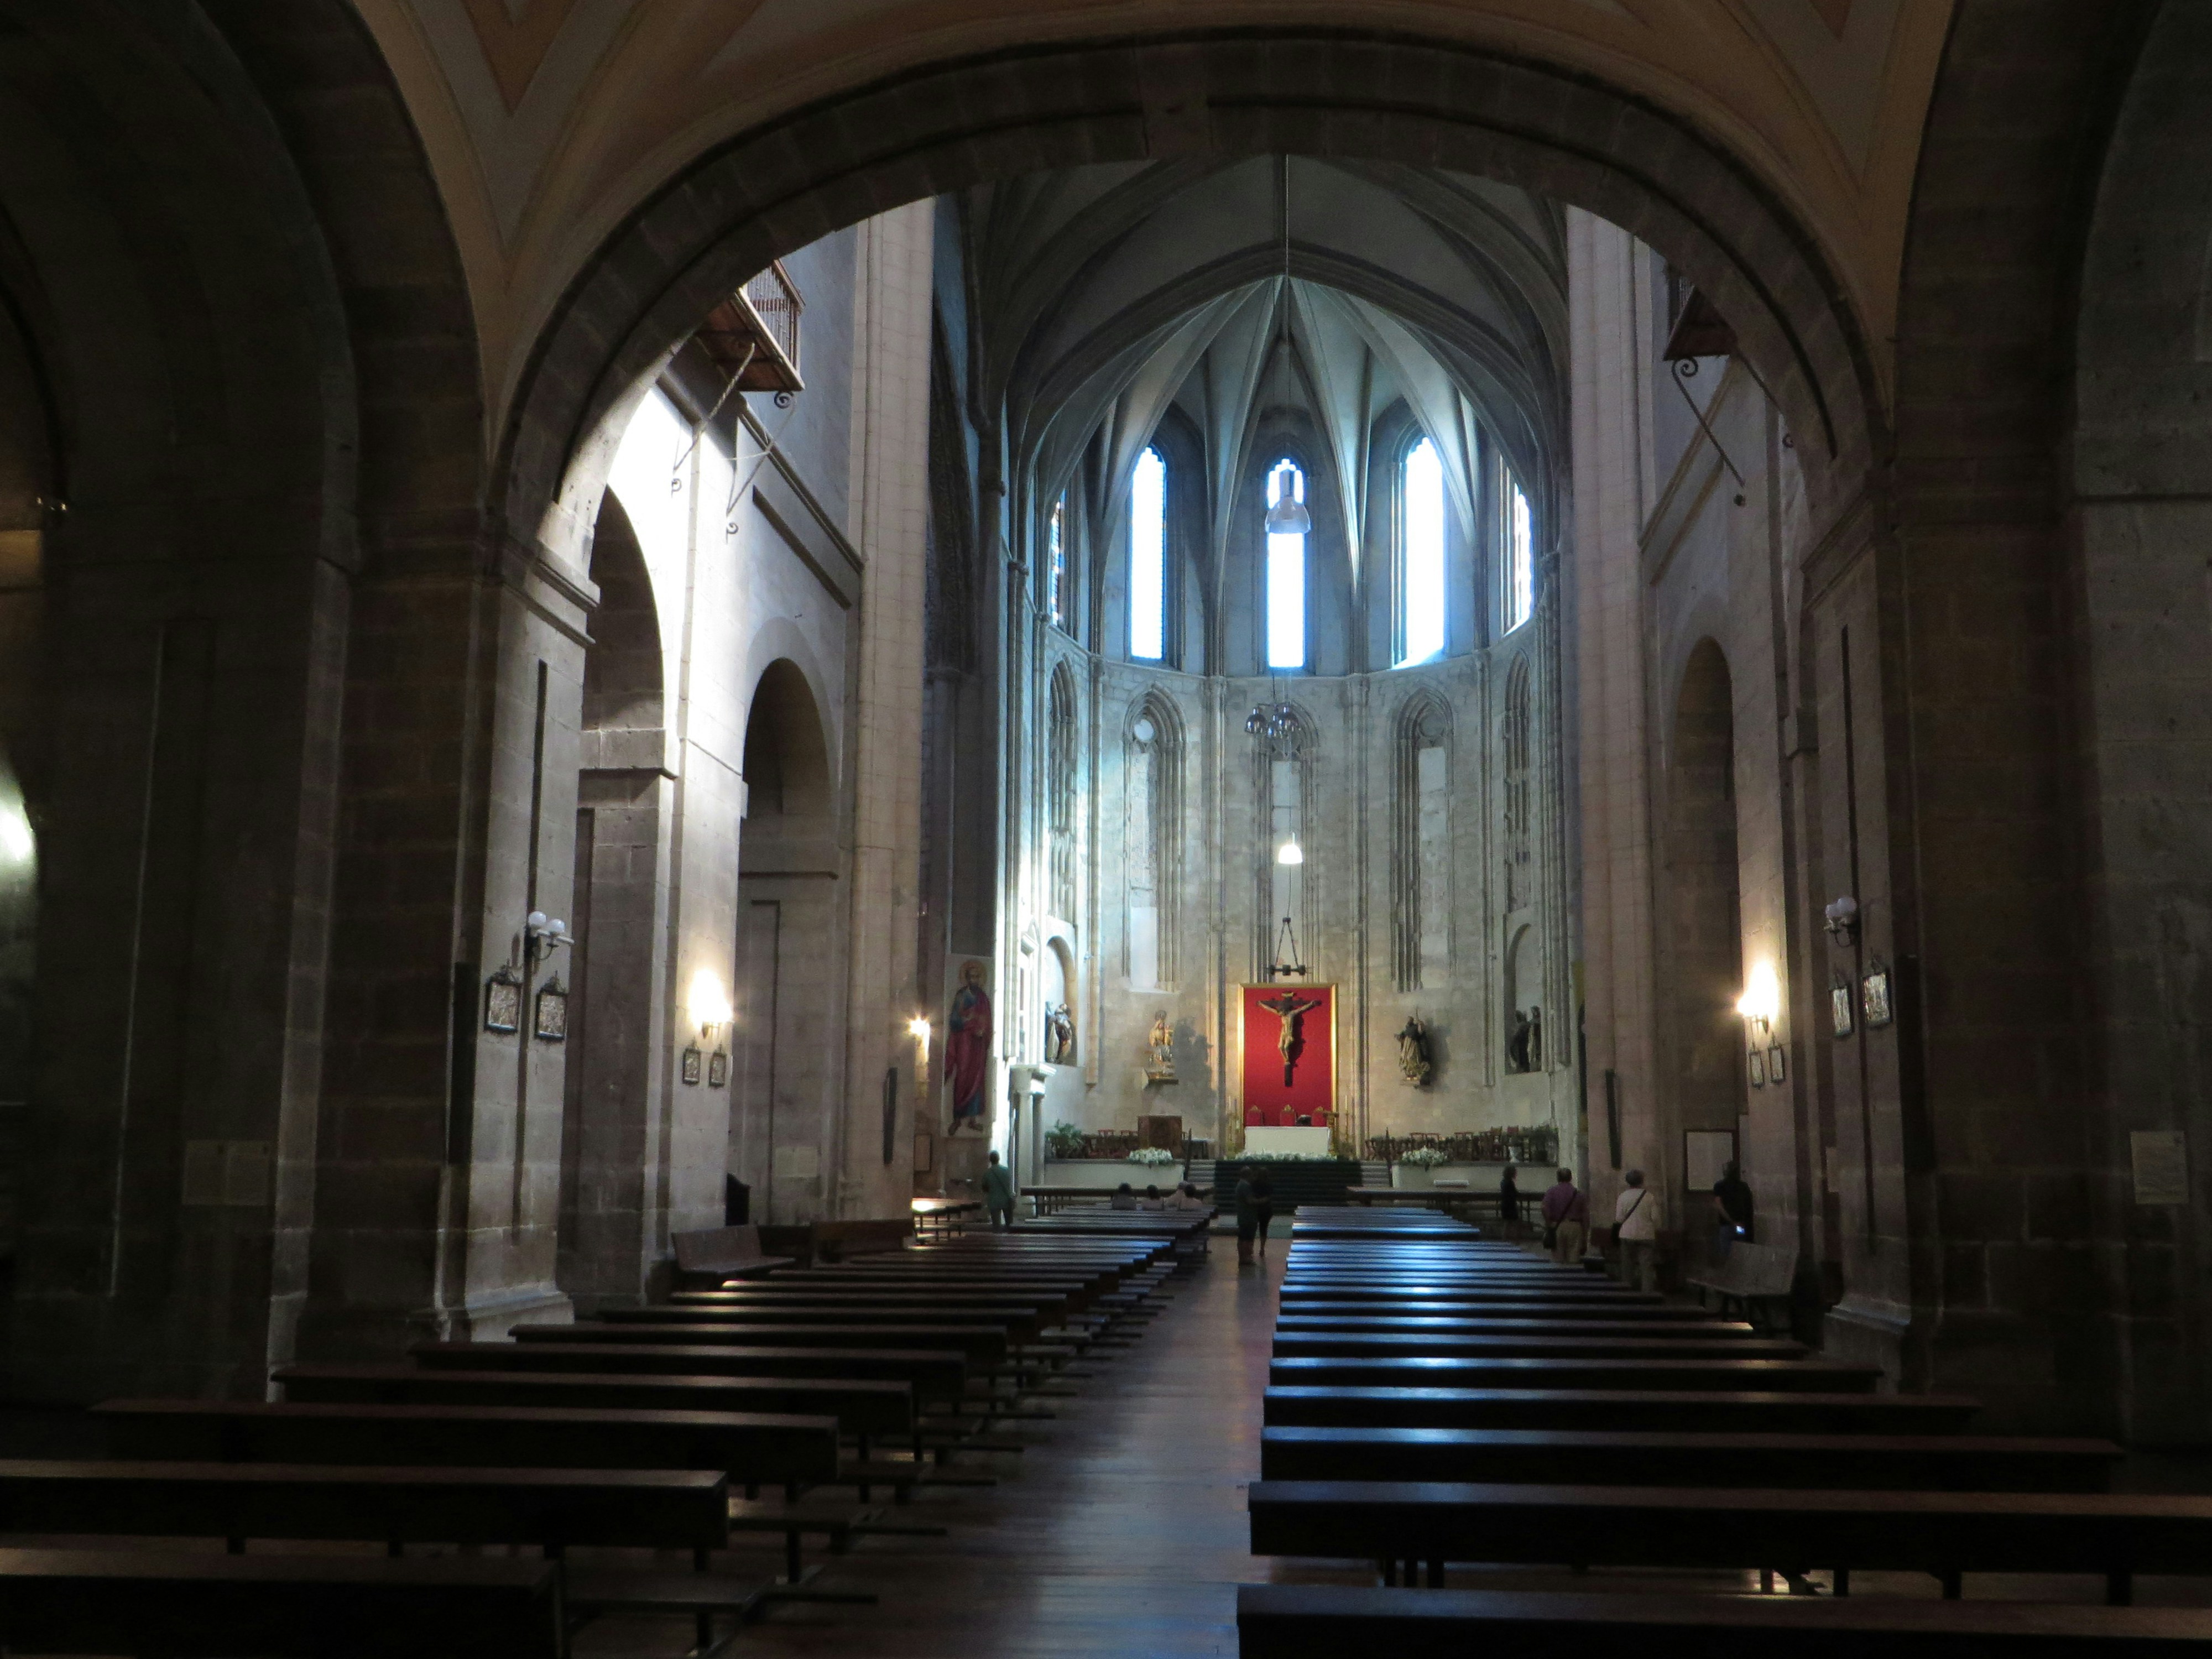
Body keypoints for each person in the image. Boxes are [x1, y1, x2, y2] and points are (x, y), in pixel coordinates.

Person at [1615, 1167, 1660, 1292]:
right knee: (1646, 1267)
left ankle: (1627, 1291)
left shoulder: (1623, 1197)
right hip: (1646, 1234)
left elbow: (1619, 1218)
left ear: (1628, 1182)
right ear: (1642, 1181)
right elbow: (1655, 1218)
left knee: (1627, 1266)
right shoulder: (1649, 1197)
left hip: (1627, 1234)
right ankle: (1647, 1293)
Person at [1541, 1167, 1587, 1264]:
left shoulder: (1552, 1192)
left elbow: (1544, 1208)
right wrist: (1585, 1232)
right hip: (1575, 1226)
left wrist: (1549, 1223)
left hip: (1557, 1225)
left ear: (1558, 1178)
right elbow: (1585, 1214)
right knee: (1574, 1258)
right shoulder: (1579, 1194)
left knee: (1558, 1259)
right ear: (1571, 1178)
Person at [1712, 1161, 1754, 1258]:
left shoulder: (1720, 1186)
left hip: (1727, 1224)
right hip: (1741, 1224)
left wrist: (1731, 1221)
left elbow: (1719, 1206)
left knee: (1727, 1254)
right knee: (1741, 1253)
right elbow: (1747, 1206)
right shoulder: (1743, 1186)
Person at [1232, 1166, 1260, 1265]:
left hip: (1243, 1215)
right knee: (1248, 1238)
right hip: (1248, 1216)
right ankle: (1247, 1257)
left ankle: (1243, 1257)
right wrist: (1261, 1201)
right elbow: (1250, 1201)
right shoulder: (1245, 1186)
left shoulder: (1240, 1184)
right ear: (1248, 1175)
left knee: (1242, 1237)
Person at [983, 1150, 1015, 1229]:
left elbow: (984, 1188)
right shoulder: (1006, 1171)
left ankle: (997, 1239)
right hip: (1006, 1199)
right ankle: (1010, 1239)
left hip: (993, 1200)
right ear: (999, 1159)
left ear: (990, 1160)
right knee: (1009, 1224)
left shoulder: (988, 1173)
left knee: (996, 1225)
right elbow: (1009, 1184)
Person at [1251, 1167, 1276, 1260]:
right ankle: (1262, 1248)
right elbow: (1269, 1197)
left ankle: (1252, 1247)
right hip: (1266, 1209)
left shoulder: (1254, 1184)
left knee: (1253, 1228)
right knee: (1264, 1229)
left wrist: (1256, 1201)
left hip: (1255, 1208)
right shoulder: (1269, 1184)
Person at [1497, 1163, 1521, 1237]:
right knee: (1514, 1224)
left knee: (1507, 1224)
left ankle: (1505, 1240)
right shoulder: (1509, 1183)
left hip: (1505, 1204)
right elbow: (1513, 1194)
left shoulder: (1503, 1181)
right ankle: (1515, 1241)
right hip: (1510, 1206)